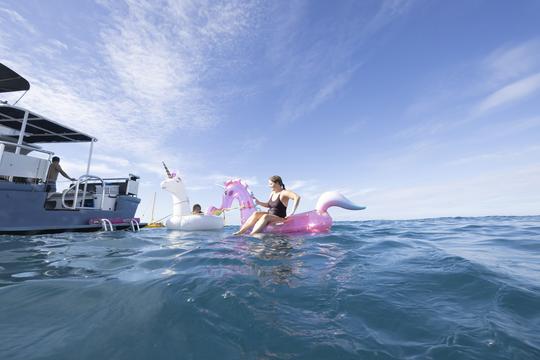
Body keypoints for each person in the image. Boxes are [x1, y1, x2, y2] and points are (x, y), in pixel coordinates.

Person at [234, 175, 300, 235]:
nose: (269, 186)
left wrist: (292, 212)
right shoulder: (272, 193)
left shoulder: (284, 193)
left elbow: (297, 197)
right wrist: (259, 202)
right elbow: (268, 205)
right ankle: (241, 232)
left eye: (271, 184)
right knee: (256, 213)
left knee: (266, 216)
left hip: (280, 217)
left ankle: (253, 234)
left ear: (277, 183)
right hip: (270, 215)